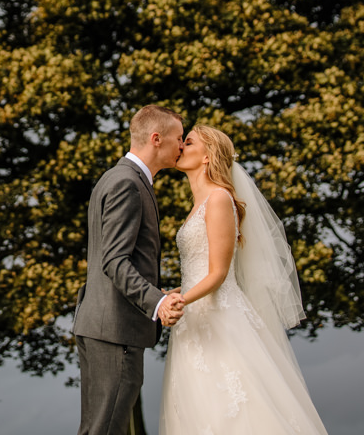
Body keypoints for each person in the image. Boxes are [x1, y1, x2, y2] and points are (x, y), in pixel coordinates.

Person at [158, 125, 328, 434]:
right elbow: (201, 269)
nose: (181, 146)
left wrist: (181, 299)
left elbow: (219, 273)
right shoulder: (198, 204)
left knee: (234, 410)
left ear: (208, 156)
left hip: (220, 320)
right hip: (193, 322)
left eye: (190, 142)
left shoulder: (219, 199)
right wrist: (174, 292)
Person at [73, 104, 187, 435]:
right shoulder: (128, 183)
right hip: (114, 330)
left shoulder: (117, 177)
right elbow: (114, 261)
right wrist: (158, 302)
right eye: (179, 138)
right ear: (156, 139)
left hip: (102, 326)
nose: (182, 146)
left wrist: (158, 291)